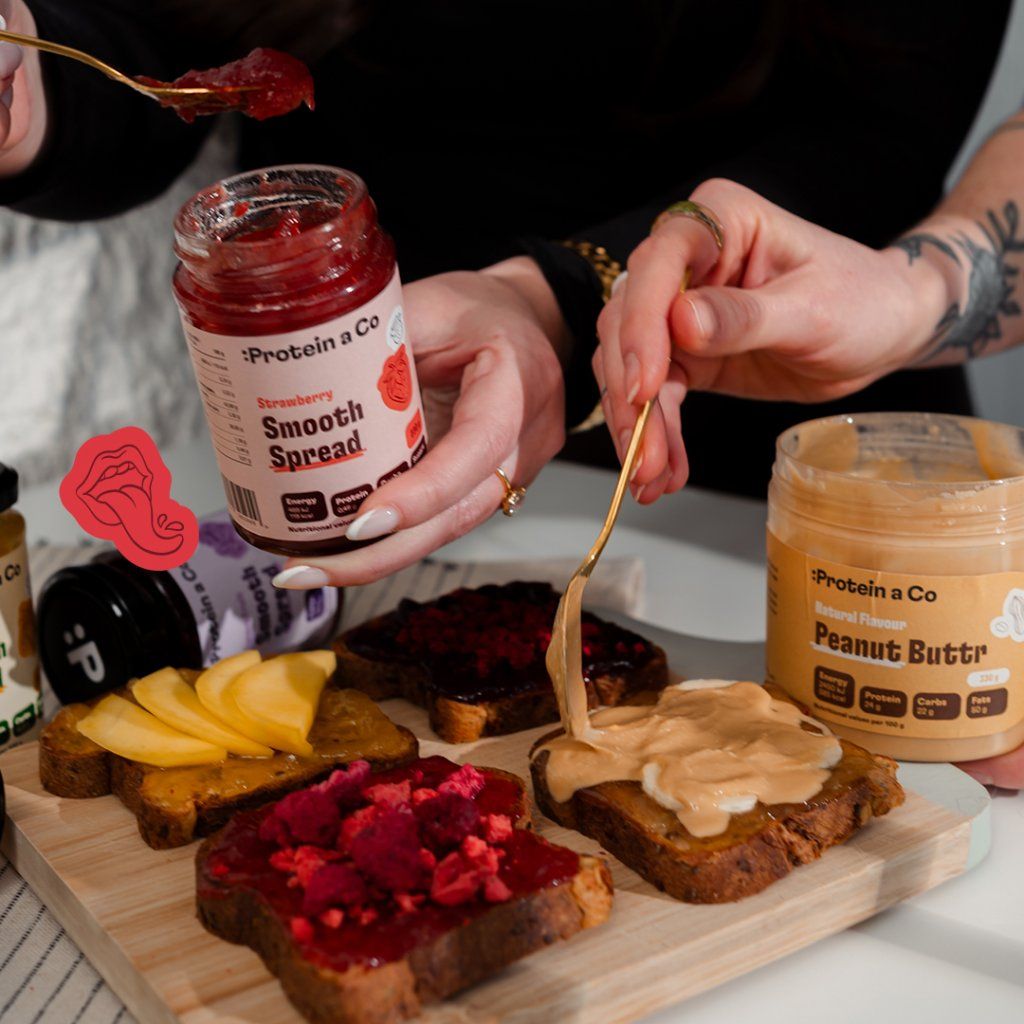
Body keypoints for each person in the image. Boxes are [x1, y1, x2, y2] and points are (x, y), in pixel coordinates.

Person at [1, 3, 1022, 786]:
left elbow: (880, 131)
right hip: (398, 407)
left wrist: (562, 300)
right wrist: (27, 81)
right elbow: (156, 40)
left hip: (811, 451)